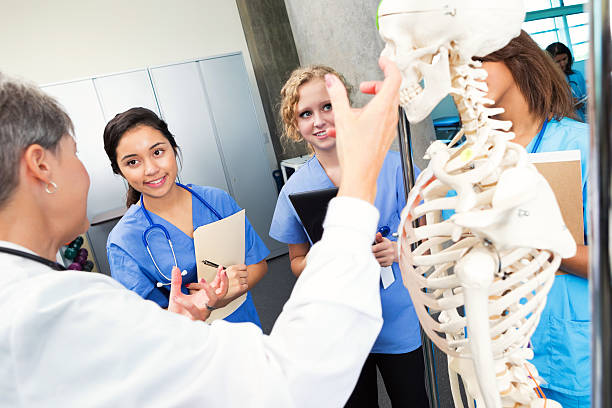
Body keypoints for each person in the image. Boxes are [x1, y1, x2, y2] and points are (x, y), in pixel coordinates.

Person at [0, 57, 405, 406]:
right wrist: (360, 180)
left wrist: (176, 321)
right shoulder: (61, 306)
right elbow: (286, 384)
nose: (151, 168)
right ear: (40, 166)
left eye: (158, 152)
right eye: (73, 154)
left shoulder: (36, 294)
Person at [270, 65, 428, 407]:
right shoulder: (295, 190)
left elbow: (427, 232)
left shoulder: (394, 165)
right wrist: (319, 257)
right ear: (295, 125)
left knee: (413, 399)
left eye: (328, 106)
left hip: (396, 313)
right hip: (338, 323)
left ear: (346, 108)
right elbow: (296, 261)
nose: (319, 120)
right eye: (306, 113)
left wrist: (399, 249)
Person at [480, 30, 590, 408]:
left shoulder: (584, 147)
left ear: (515, 57)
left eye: (478, 60)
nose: (465, 76)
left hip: (571, 353)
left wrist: (535, 240)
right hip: (494, 357)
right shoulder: (465, 162)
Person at [103, 107, 268, 324]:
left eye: (158, 152)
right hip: (190, 347)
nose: (151, 169)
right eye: (133, 162)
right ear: (119, 170)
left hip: (245, 331)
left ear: (173, 148)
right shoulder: (123, 241)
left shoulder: (217, 201)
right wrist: (201, 303)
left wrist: (227, 294)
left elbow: (258, 264)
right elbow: (141, 322)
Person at [546, 41, 588, 122]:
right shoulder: (548, 82)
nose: (562, 64)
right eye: (557, 62)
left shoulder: (577, 75)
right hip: (563, 122)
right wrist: (566, 105)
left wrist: (581, 103)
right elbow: (548, 108)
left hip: (581, 120)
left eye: (564, 59)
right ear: (550, 63)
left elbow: (585, 99)